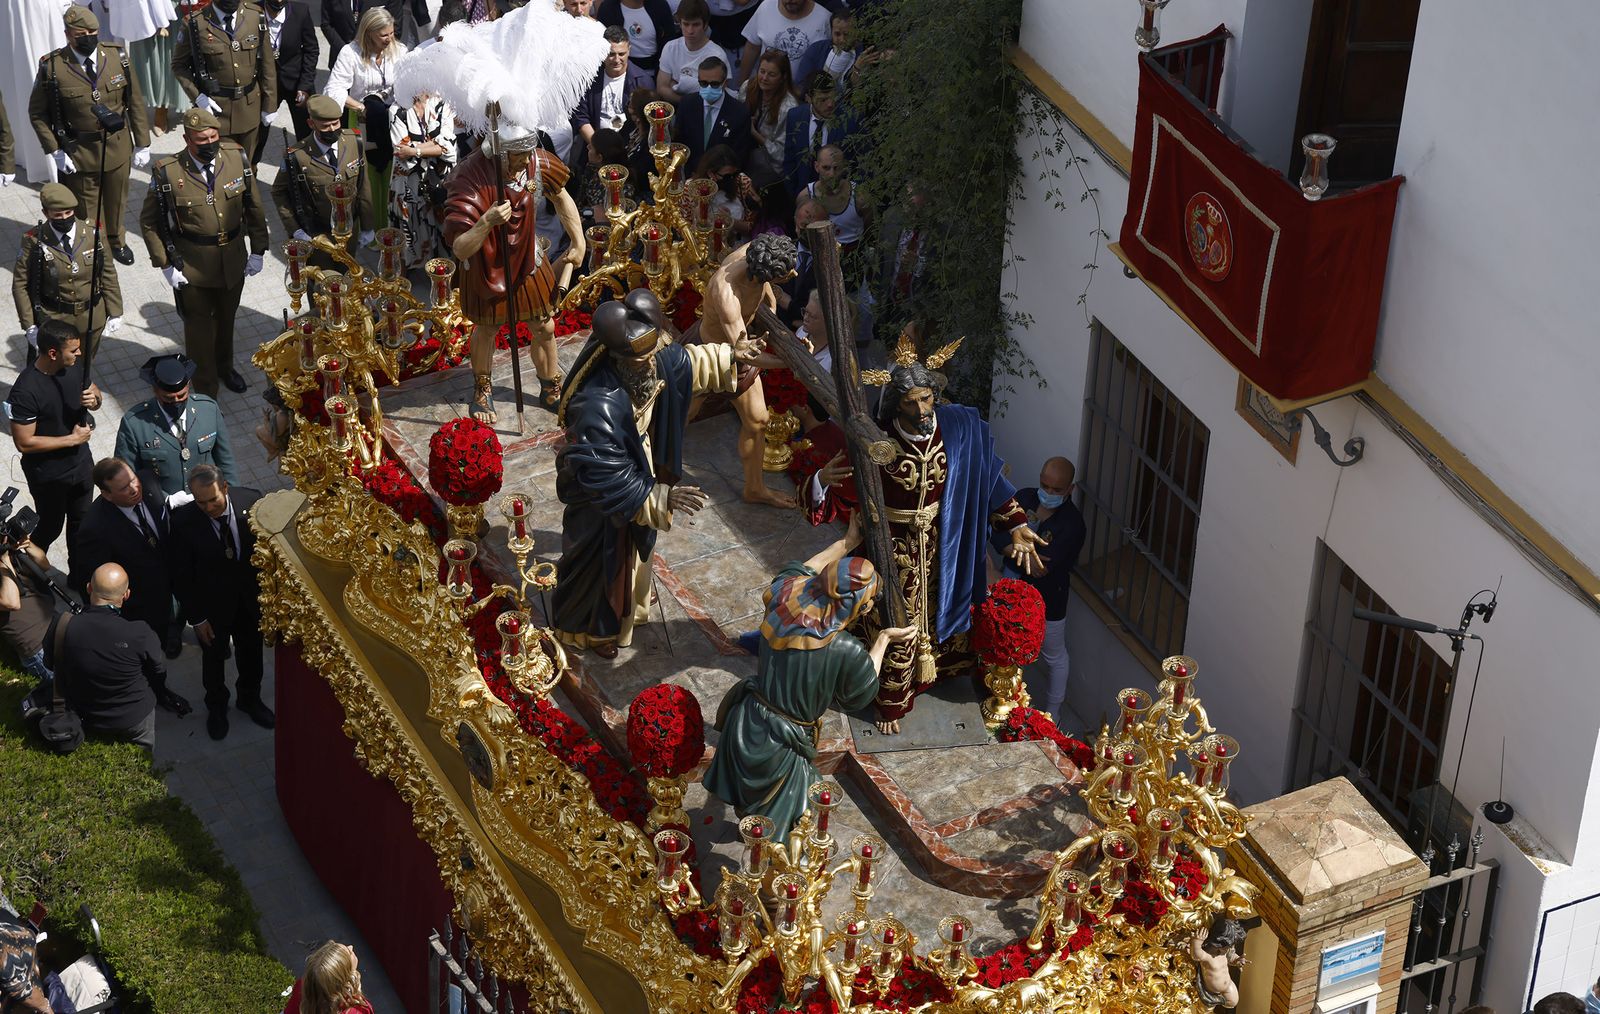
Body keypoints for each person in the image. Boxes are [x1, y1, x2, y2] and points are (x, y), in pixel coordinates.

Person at [802, 353, 1046, 733]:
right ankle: (891, 700)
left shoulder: (956, 429)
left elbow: (985, 476)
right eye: (910, 402)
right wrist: (821, 479)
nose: (921, 410)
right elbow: (833, 489)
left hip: (945, 541)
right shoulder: (876, 443)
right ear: (895, 404)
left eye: (926, 398)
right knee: (896, 621)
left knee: (946, 607)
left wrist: (1016, 523)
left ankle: (940, 673)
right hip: (890, 548)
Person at [552, 289, 759, 658]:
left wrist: (731, 355)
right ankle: (589, 631)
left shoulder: (645, 363)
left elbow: (684, 362)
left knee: (634, 555)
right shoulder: (597, 404)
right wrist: (659, 496)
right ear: (615, 358)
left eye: (652, 355)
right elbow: (604, 473)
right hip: (601, 499)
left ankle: (630, 607)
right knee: (601, 564)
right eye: (641, 360)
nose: (650, 365)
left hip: (638, 464)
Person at [703, 516, 916, 837]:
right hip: (782, 749)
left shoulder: (783, 597)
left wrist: (846, 542)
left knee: (756, 808)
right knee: (785, 828)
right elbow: (862, 690)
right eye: (869, 601)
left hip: (746, 724)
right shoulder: (841, 647)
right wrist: (883, 639)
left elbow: (805, 568)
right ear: (856, 607)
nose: (870, 606)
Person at [443, 120, 585, 422]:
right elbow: (460, 248)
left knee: (544, 326)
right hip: (486, 264)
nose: (526, 160)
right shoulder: (470, 177)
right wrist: (486, 222)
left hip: (528, 258)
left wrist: (578, 240)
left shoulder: (535, 162)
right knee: (487, 328)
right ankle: (483, 389)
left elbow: (561, 196)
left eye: (529, 153)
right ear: (500, 153)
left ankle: (550, 384)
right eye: (519, 155)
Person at [141, 107, 267, 398]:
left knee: (226, 319)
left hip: (232, 259)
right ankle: (206, 389)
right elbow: (149, 222)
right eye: (201, 140)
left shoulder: (236, 158)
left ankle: (225, 367)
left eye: (213, 137)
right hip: (192, 266)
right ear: (187, 140)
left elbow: (253, 206)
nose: (209, 144)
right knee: (199, 332)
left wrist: (259, 249)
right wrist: (165, 264)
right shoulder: (168, 171)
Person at [27, 5, 153, 266]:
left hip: (117, 147)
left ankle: (117, 241)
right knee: (87, 208)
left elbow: (135, 102)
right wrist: (55, 150)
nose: (88, 38)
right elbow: (38, 113)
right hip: (79, 152)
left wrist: (143, 143)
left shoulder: (117, 57)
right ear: (68, 35)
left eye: (93, 33)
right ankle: (94, 247)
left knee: (116, 202)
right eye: (81, 34)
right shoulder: (53, 67)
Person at [169, 464, 273, 740]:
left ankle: (250, 699)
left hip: (249, 601)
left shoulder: (251, 501)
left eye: (213, 500)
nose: (208, 508)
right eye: (200, 502)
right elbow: (181, 576)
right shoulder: (183, 522)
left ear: (225, 488)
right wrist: (197, 618)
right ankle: (217, 707)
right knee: (213, 661)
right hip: (212, 608)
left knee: (251, 654)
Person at [697, 233, 800, 508]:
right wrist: (788, 362)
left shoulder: (754, 252)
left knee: (757, 421)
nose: (794, 274)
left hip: (737, 353)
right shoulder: (728, 293)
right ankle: (653, 477)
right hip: (709, 357)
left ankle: (755, 489)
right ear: (763, 275)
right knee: (676, 417)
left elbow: (764, 290)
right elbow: (747, 355)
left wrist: (771, 306)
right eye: (786, 274)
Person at [47, 563, 192, 751]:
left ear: (89, 588)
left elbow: (50, 663)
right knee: (143, 759)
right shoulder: (140, 633)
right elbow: (158, 670)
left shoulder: (62, 624)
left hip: (85, 714)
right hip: (134, 718)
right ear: (126, 595)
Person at [992, 456, 1086, 729]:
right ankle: (1004, 696)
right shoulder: (1024, 498)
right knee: (1002, 642)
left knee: (1053, 655)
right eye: (1045, 486)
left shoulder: (1072, 524)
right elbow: (995, 530)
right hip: (1010, 587)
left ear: (1070, 489)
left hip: (1048, 600)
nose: (1049, 492)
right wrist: (1012, 547)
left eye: (1057, 489)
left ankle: (1053, 712)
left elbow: (1040, 568)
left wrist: (1010, 546)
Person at [4, 321, 102, 558]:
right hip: (49, 475)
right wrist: (72, 439)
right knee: (49, 528)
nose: (79, 353)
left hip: (82, 465)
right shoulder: (25, 391)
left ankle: (78, 573)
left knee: (82, 524)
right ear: (53, 353)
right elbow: (24, 442)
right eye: (73, 350)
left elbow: (95, 392)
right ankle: (25, 569)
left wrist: (95, 400)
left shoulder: (74, 366)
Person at [70, 458, 179, 657]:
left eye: (133, 480)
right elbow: (90, 581)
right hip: (140, 605)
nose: (134, 489)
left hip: (169, 580)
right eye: (123, 488)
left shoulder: (148, 480)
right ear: (107, 495)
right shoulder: (95, 528)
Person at [11, 183, 124, 362]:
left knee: (84, 365)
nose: (64, 218)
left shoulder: (93, 233)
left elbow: (107, 272)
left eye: (68, 213)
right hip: (55, 320)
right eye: (57, 215)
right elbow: (20, 284)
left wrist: (116, 310)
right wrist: (29, 325)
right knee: (57, 367)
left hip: (91, 317)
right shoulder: (34, 240)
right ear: (45, 213)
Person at [113, 354, 237, 505]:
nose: (176, 402)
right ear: (155, 391)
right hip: (164, 507)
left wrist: (233, 499)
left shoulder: (208, 409)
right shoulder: (135, 424)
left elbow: (225, 460)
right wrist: (166, 499)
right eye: (169, 398)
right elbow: (127, 475)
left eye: (182, 396)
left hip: (208, 502)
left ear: (189, 385)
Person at [325, 7, 407, 230]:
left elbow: (410, 81)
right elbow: (334, 89)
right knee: (367, 178)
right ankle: (370, 229)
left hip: (393, 122)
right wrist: (361, 107)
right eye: (383, 35)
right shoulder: (349, 53)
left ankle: (393, 227)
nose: (389, 39)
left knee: (393, 171)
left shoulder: (399, 50)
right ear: (369, 33)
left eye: (391, 33)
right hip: (363, 122)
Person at [171, 0, 277, 166]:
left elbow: (267, 64)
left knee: (247, 164)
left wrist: (270, 104)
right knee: (223, 167)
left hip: (250, 108)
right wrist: (198, 97)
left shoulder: (255, 16)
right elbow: (179, 65)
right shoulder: (195, 23)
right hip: (216, 110)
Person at [273, 94, 374, 264]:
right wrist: (295, 229)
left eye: (336, 123)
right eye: (325, 126)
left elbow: (363, 185)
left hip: (349, 231)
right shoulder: (298, 155)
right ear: (311, 124)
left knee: (349, 275)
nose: (332, 129)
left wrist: (367, 225)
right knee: (322, 279)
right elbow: (278, 192)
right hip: (318, 235)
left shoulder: (354, 142)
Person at [389, 89, 457, 272]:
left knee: (443, 231)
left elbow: (449, 147)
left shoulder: (443, 105)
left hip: (439, 181)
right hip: (407, 182)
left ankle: (440, 277)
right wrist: (435, 146)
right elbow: (401, 152)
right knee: (405, 230)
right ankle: (402, 278)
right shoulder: (397, 109)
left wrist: (415, 150)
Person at [254, 0, 319, 164]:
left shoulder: (300, 11)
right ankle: (251, 169)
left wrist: (305, 85)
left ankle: (308, 168)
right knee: (257, 134)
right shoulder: (253, 12)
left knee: (307, 134)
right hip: (265, 86)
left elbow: (311, 50)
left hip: (297, 83)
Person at [0, 536, 62, 691]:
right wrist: (3, 561)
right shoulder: (4, 560)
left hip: (57, 625)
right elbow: (11, 602)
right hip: (38, 646)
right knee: (70, 693)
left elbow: (45, 565)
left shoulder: (11, 554)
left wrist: (28, 545)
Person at [781, 69, 853, 195]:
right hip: (803, 194)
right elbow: (790, 160)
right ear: (809, 98)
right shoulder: (795, 116)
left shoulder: (850, 119)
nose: (830, 104)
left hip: (839, 195)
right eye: (823, 100)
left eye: (832, 97)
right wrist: (795, 195)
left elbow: (859, 164)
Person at [118, 0, 183, 136]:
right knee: (150, 57)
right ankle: (159, 104)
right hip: (144, 9)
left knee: (175, 55)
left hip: (174, 8)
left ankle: (170, 104)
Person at [675, 55, 751, 169]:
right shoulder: (687, 104)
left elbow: (739, 156)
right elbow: (679, 142)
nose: (708, 88)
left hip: (720, 175)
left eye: (714, 84)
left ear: (725, 83)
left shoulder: (740, 113)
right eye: (704, 83)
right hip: (688, 172)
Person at [738, 0, 830, 87]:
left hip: (801, 94)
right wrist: (741, 86)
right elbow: (752, 48)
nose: (790, 0)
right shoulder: (766, 7)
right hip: (764, 90)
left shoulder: (824, 19)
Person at [573, 27, 636, 154]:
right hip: (595, 148)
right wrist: (599, 148)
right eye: (611, 54)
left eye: (621, 54)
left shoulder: (641, 81)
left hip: (628, 148)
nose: (617, 60)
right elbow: (581, 117)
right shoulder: (588, 80)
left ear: (629, 50)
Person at [655, 0, 731, 103]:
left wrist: (675, 86)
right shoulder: (670, 48)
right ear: (680, 23)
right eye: (686, 24)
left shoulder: (718, 55)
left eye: (696, 25)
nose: (690, 31)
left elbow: (717, 94)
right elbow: (661, 88)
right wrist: (687, 102)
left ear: (705, 25)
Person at [803, 143, 868, 258]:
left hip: (854, 259)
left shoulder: (860, 196)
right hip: (817, 259)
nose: (831, 174)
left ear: (844, 167)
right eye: (826, 168)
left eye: (836, 168)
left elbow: (869, 231)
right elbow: (801, 234)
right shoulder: (805, 197)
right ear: (816, 167)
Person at [595, 0, 677, 91]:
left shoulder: (660, 6)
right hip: (622, 75)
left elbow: (670, 40)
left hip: (658, 73)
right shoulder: (608, 8)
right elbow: (602, 43)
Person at [741, 50, 796, 174]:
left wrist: (754, 133)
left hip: (768, 168)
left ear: (783, 77)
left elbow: (781, 155)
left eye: (771, 74)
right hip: (742, 153)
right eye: (762, 71)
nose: (764, 78)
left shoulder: (789, 107)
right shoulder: (747, 87)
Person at [282, 941, 373, 1014]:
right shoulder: (358, 1009)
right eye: (350, 953)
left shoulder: (302, 987)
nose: (351, 946)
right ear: (343, 976)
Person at [1189, 915, 1245, 1008]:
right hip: (1211, 991)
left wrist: (1237, 960)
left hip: (1228, 984)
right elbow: (1196, 956)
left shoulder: (1223, 952)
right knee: (1207, 1007)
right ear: (1218, 943)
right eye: (1227, 947)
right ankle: (1212, 999)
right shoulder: (1208, 955)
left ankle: (1217, 1000)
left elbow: (1230, 958)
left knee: (1233, 1002)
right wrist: (1197, 942)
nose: (1229, 949)